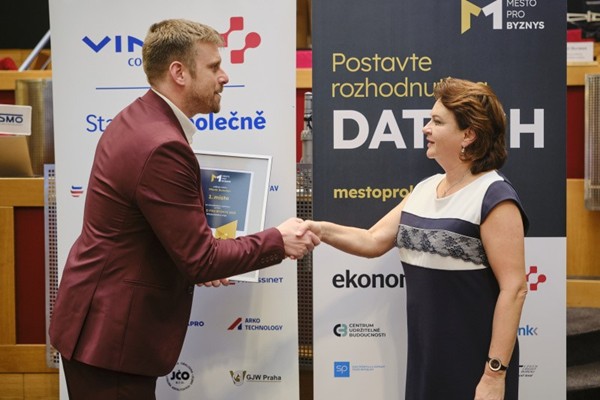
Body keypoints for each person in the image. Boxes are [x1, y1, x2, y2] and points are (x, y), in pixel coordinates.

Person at [49, 19, 319, 399]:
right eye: (213, 66)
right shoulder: (162, 145)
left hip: (102, 325)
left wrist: (196, 253)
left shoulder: (140, 118)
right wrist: (278, 240)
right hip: (111, 339)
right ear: (179, 73)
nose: (224, 76)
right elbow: (201, 261)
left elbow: (162, 235)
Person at [300, 77, 528, 400]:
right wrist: (318, 229)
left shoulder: (495, 196)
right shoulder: (425, 188)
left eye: (437, 122)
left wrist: (494, 374)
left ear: (469, 134)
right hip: (426, 361)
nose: (425, 128)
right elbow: (372, 239)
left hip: (474, 364)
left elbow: (514, 289)